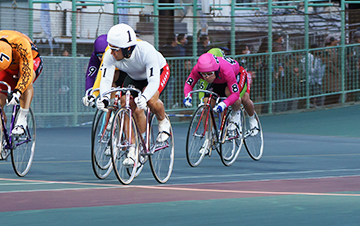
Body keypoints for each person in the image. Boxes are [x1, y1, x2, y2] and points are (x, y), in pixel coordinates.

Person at [95, 23, 171, 167]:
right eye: (110, 48)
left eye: (115, 50)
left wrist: (144, 96)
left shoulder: (146, 51)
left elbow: (153, 81)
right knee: (126, 104)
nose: (111, 53)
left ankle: (162, 121)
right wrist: (104, 98)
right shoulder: (111, 54)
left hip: (158, 72)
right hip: (135, 77)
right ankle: (133, 147)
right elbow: (106, 79)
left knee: (150, 101)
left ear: (127, 48)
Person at [182, 53, 258, 154]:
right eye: (204, 74)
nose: (206, 77)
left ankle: (244, 117)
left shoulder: (226, 70)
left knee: (240, 97)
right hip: (218, 81)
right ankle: (208, 140)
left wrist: (224, 104)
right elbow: (189, 83)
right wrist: (187, 96)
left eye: (209, 74)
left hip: (237, 75)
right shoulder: (198, 69)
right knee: (207, 103)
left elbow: (234, 94)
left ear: (215, 70)